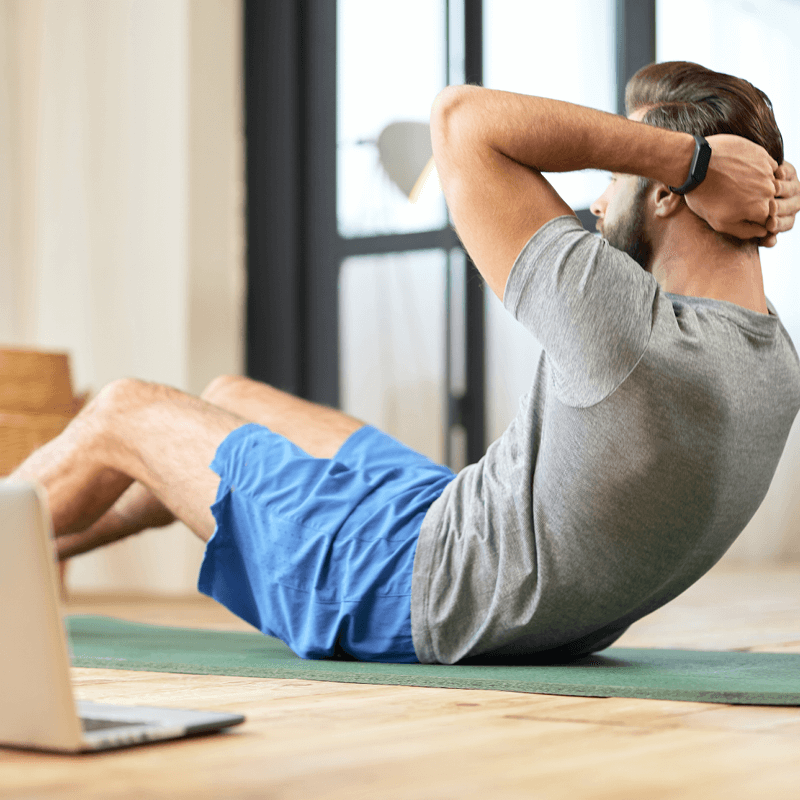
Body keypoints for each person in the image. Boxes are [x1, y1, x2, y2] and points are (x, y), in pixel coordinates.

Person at [9, 61, 800, 665]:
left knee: (123, 412)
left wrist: (685, 160)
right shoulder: (773, 360)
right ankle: (37, 554)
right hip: (473, 542)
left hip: (403, 587)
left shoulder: (626, 332)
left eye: (623, 178)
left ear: (668, 191)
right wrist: (746, 183)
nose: (595, 203)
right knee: (228, 398)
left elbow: (461, 119)